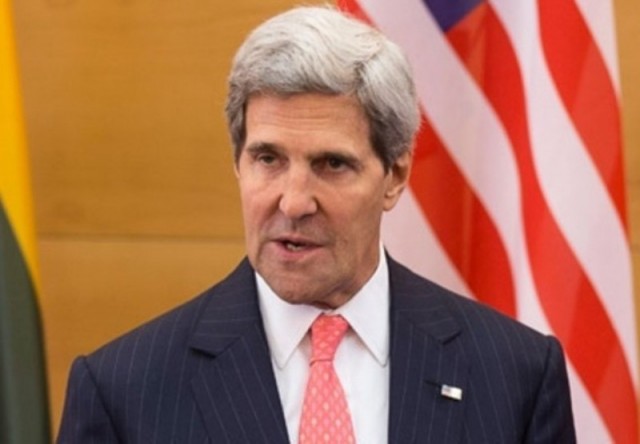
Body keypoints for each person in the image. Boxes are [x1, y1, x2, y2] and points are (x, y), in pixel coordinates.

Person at [57, 5, 576, 443]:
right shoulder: (123, 392)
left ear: (395, 176)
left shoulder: (516, 377)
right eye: (268, 159)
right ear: (237, 162)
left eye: (331, 164)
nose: (294, 201)